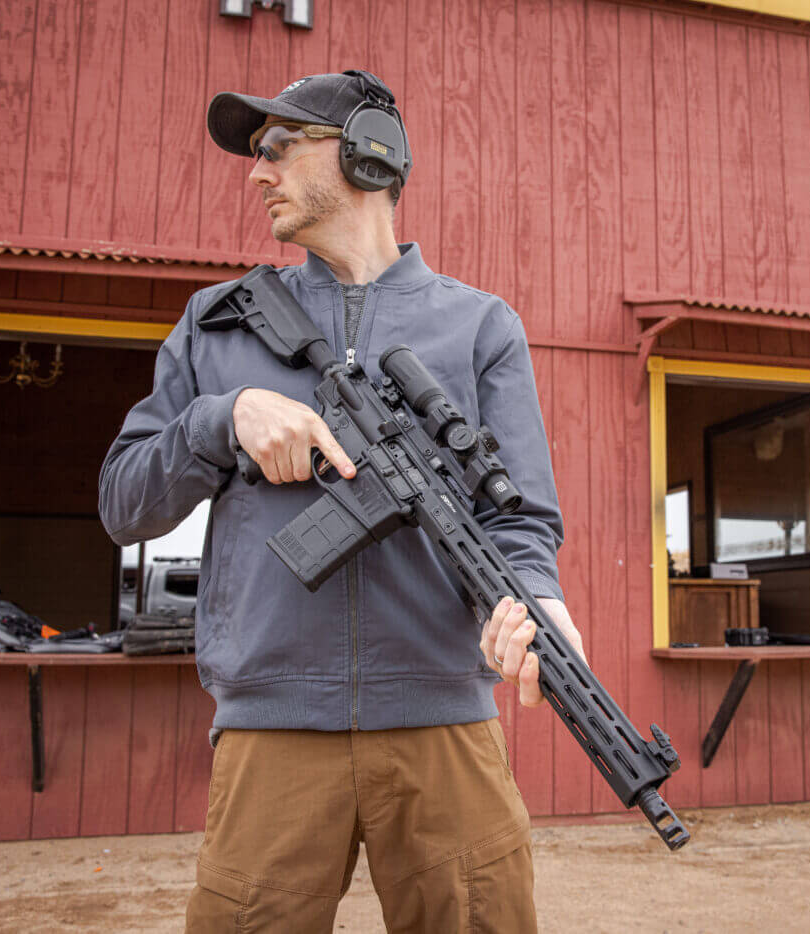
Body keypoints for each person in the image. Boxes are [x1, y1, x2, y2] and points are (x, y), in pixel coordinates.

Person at [98, 70, 584, 932]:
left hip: (444, 727)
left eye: (279, 147)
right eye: (256, 155)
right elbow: (122, 503)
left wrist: (537, 597)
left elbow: (519, 519)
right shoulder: (218, 323)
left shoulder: (480, 327)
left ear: (369, 152)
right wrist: (222, 419)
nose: (258, 172)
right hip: (272, 732)